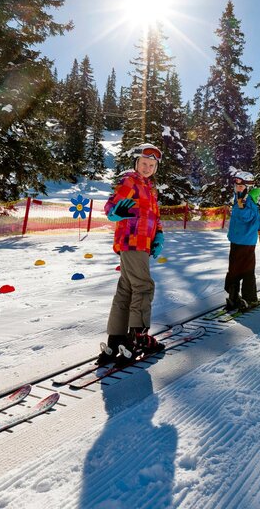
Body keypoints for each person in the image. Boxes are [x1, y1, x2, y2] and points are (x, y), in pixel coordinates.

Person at [96, 143, 166, 365]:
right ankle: (138, 339)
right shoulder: (130, 180)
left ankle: (116, 339)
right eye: (144, 163)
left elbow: (153, 215)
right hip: (133, 241)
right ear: (136, 162)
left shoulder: (149, 187)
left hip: (141, 244)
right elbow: (111, 206)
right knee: (143, 287)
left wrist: (159, 234)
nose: (147, 168)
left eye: (152, 165)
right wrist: (115, 212)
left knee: (126, 289)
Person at [224, 170, 260, 312]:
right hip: (238, 240)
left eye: (241, 186)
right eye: (237, 186)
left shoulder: (247, 200)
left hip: (246, 242)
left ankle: (248, 298)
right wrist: (240, 203)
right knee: (236, 269)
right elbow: (253, 217)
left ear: (248, 187)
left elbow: (251, 217)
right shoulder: (240, 199)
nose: (238, 188)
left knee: (245, 270)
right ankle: (234, 297)